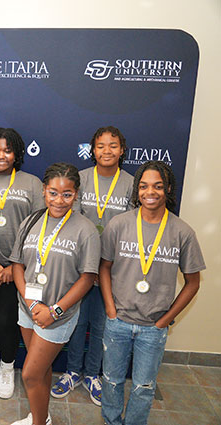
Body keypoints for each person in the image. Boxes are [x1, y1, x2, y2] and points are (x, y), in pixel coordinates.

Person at [100, 161, 205, 425]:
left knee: (143, 387)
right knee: (111, 381)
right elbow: (104, 268)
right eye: (144, 186)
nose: (151, 192)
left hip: (153, 328)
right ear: (137, 190)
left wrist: (164, 319)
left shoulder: (183, 232)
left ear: (168, 188)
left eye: (158, 186)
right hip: (118, 322)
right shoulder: (119, 224)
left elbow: (193, 282)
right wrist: (111, 310)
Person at [9, 163, 101, 425]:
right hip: (29, 307)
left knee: (29, 374)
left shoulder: (86, 230)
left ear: (76, 194)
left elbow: (88, 278)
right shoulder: (30, 221)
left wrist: (55, 310)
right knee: (42, 369)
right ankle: (42, 417)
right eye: (53, 193)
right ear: (43, 191)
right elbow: (18, 264)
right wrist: (30, 301)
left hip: (58, 315)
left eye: (67, 194)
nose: (59, 201)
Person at [51, 126, 134, 406]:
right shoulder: (80, 180)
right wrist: (88, 266)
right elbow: (68, 221)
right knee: (77, 321)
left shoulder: (132, 184)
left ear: (122, 150)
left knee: (101, 324)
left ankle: (92, 374)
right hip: (79, 267)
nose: (106, 151)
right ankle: (72, 372)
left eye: (113, 146)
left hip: (113, 270)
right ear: (92, 150)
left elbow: (134, 229)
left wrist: (104, 268)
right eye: (100, 145)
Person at [0, 128, 44, 399]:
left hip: (19, 267)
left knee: (8, 319)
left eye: (7, 150)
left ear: (17, 153)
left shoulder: (32, 183)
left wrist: (16, 266)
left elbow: (38, 227)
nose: (1, 155)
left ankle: (6, 368)